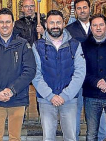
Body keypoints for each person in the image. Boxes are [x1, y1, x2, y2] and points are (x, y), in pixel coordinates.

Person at [0, 8, 36, 141]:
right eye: (1, 22)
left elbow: (30, 70)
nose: (4, 25)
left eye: (8, 22)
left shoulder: (23, 44)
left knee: (15, 137)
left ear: (13, 24)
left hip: (17, 98)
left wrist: (12, 90)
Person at [32, 10, 86, 141]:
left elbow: (80, 72)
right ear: (46, 24)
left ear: (63, 24)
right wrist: (50, 95)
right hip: (46, 99)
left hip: (69, 99)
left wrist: (65, 95)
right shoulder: (37, 46)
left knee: (70, 137)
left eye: (58, 22)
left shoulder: (74, 45)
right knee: (48, 137)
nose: (55, 25)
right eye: (52, 23)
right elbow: (35, 74)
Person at [66, 0, 106, 140]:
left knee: (98, 108)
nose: (82, 10)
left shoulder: (98, 26)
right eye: (79, 8)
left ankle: (101, 137)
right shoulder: (69, 30)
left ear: (90, 8)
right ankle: (75, 137)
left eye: (85, 7)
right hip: (76, 75)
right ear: (75, 11)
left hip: (96, 74)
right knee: (75, 109)